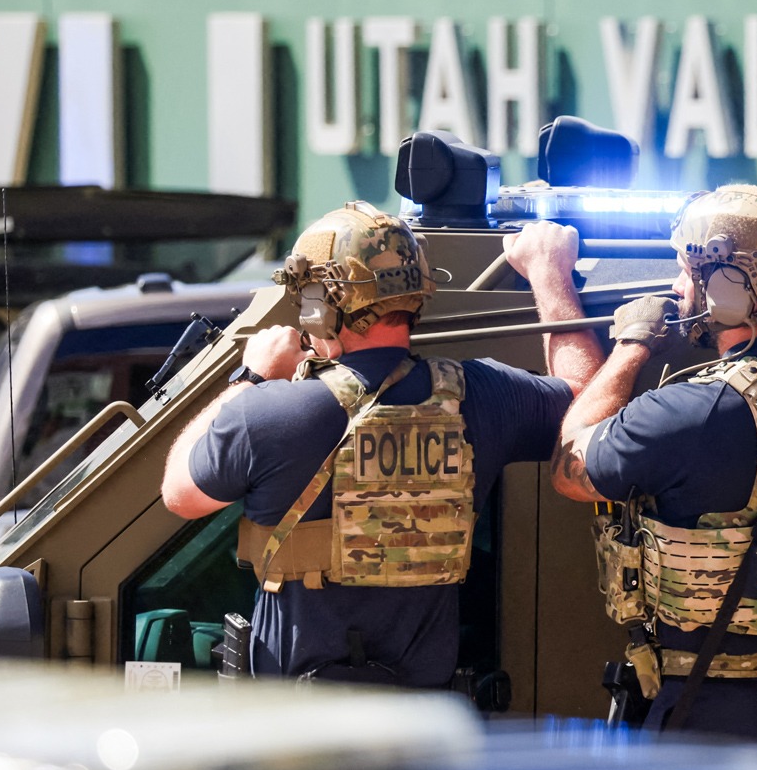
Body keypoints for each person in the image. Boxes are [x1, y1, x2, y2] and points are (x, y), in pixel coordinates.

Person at [521, 184, 757, 749]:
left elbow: (570, 468)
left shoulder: (693, 411)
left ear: (725, 287)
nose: (678, 288)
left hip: (714, 714)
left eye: (684, 271)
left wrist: (633, 345)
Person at [160, 202, 598, 686]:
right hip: (419, 727)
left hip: (291, 734)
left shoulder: (265, 412)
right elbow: (588, 405)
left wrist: (251, 377)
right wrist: (548, 273)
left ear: (322, 304)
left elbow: (179, 494)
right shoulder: (483, 397)